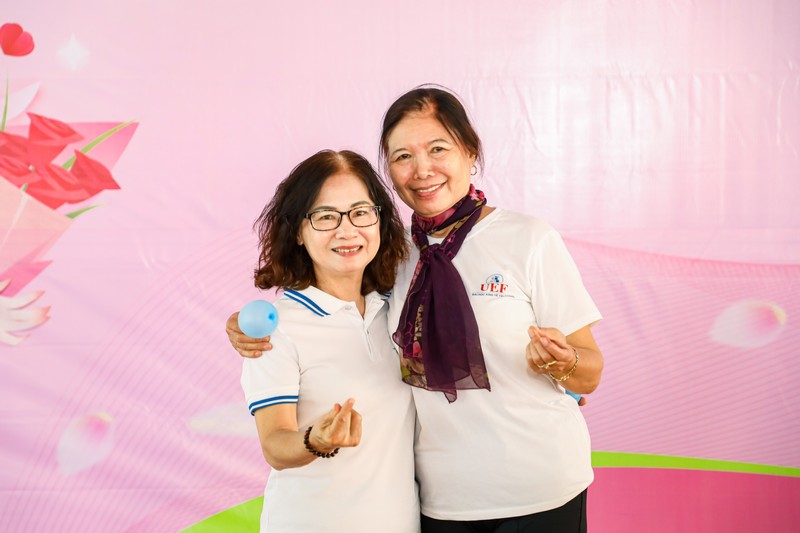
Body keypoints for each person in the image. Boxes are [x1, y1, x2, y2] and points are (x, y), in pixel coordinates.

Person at [227, 87, 604, 533]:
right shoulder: (394, 259)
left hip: (542, 487)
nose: (422, 170)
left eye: (438, 149)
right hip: (443, 502)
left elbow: (588, 373)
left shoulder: (528, 239)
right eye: (403, 156)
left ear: (470, 152)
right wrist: (242, 327)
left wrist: (564, 363)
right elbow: (326, 303)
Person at [238, 149, 418, 532]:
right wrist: (314, 440)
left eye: (360, 212)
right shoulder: (278, 328)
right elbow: (275, 445)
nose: (347, 230)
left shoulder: (397, 307)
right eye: (325, 217)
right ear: (297, 232)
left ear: (380, 220)